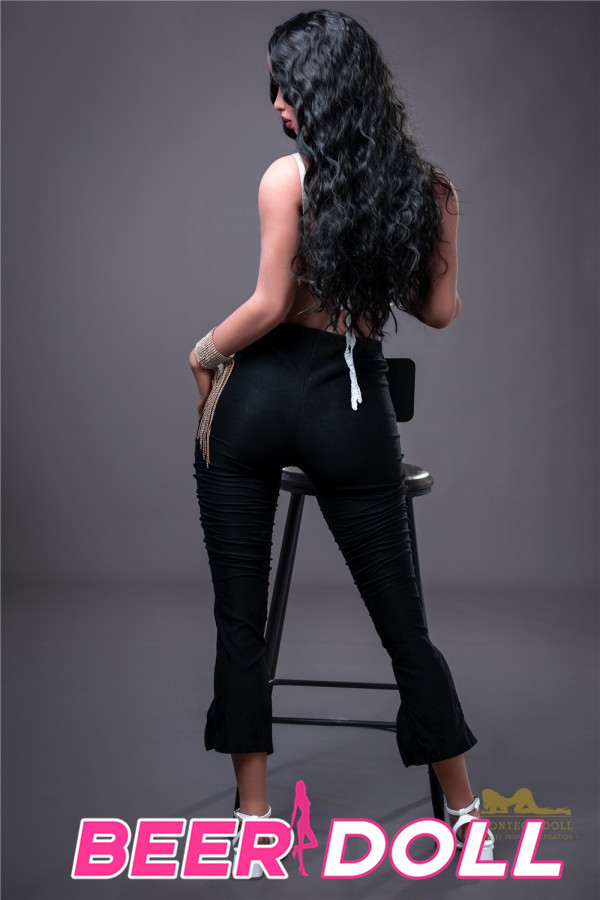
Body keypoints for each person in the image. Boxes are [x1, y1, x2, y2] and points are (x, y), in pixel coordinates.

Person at [190, 8, 494, 865]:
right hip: (349, 408)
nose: (277, 102)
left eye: (286, 84)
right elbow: (439, 312)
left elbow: (269, 306)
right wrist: (401, 251)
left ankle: (254, 817)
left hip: (256, 401)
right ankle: (465, 809)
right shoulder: (431, 190)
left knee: (240, 619)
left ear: (323, 87)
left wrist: (202, 352)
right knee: (404, 625)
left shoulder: (285, 178)